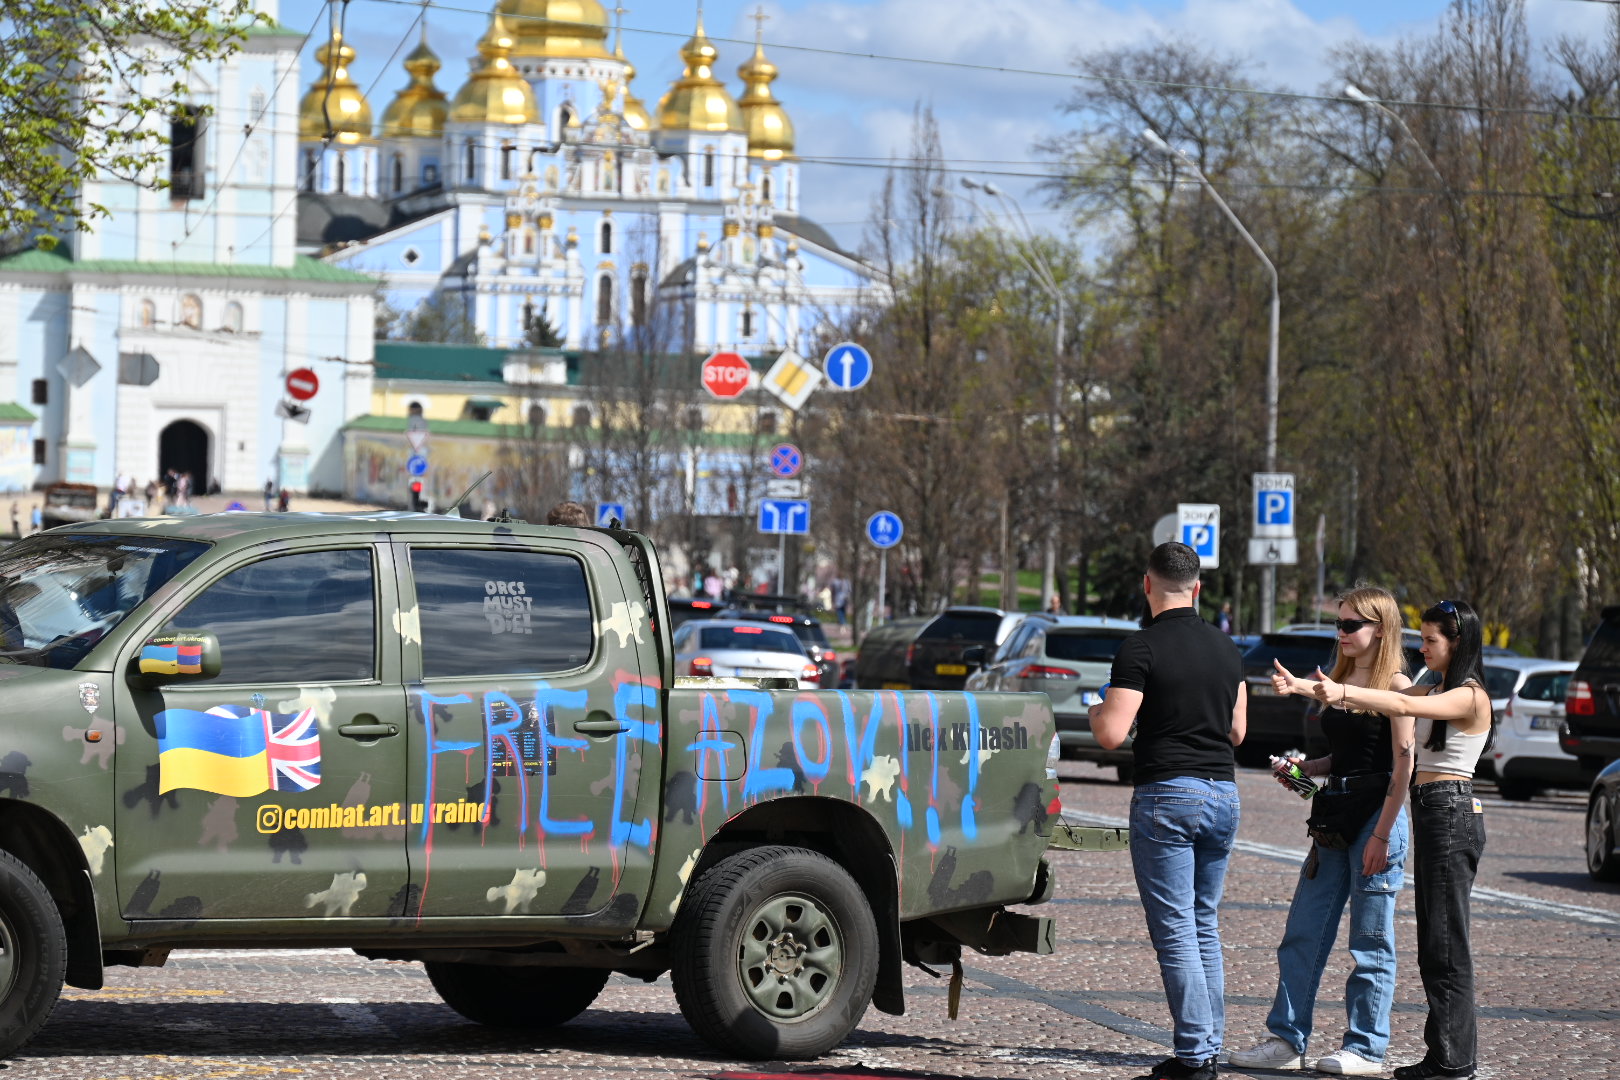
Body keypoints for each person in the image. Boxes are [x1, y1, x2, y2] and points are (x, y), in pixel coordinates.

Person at [1273, 600, 1491, 1080]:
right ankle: (1445, 1056)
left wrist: (1333, 689)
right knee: (1436, 944)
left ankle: (1444, 1058)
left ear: (1457, 643)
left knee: (1443, 944)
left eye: (1432, 639)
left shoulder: (1469, 695)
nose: (1423, 647)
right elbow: (1374, 702)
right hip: (1431, 809)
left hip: (1451, 810)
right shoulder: (1436, 684)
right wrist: (1306, 687)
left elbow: (1399, 703)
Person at [1227, 586, 1415, 1075]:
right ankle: (1287, 1041)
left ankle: (1366, 1048)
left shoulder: (1396, 685)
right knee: (1303, 933)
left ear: (1382, 628)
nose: (1342, 632)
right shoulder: (1341, 679)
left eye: (1352, 625)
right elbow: (1346, 758)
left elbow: (1403, 767)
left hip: (1379, 816)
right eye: (1339, 623)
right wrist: (1303, 768)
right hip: (1336, 813)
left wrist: (1381, 835)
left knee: (1370, 941)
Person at [1089, 542, 1247, 1080]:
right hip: (1223, 793)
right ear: (1198, 587)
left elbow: (1111, 733)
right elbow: (1238, 731)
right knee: (1203, 923)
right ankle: (1209, 1046)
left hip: (1167, 795)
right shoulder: (1228, 649)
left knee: (1176, 929)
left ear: (1146, 584)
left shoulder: (1140, 648)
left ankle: (1196, 1056)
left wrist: (1096, 706)